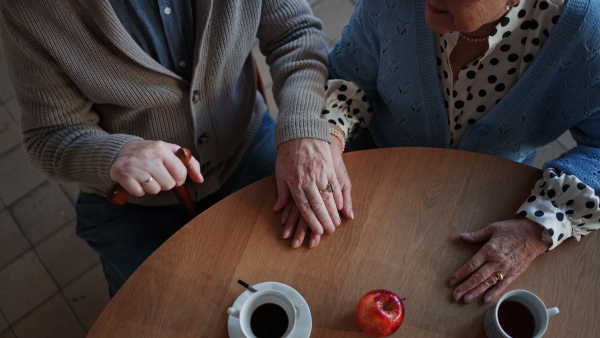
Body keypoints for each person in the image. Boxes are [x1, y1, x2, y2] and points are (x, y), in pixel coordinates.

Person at [0, 0, 332, 296]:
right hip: (132, 198)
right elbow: (50, 135)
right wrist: (115, 154)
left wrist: (301, 130)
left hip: (243, 147)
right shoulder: (30, 8)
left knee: (316, 276)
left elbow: (295, 34)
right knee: (157, 316)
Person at [289, 0, 600, 304]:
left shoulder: (589, 34)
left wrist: (538, 227)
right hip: (374, 171)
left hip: (491, 199)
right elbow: (350, 75)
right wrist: (328, 134)